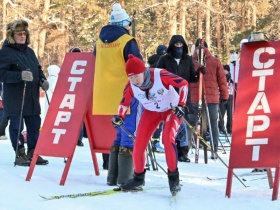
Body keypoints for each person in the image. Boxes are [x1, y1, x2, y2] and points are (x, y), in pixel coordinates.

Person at [113, 54, 188, 195]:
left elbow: (183, 83)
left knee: (167, 139)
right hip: (151, 112)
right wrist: (119, 117)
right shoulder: (130, 86)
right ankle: (138, 177)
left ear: (144, 71)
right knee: (139, 144)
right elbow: (124, 103)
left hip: (170, 110)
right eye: (131, 77)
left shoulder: (160, 75)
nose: (135, 80)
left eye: (137, 76)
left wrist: (181, 105)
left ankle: (173, 178)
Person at [93, 3, 143, 185]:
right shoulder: (127, 41)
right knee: (130, 132)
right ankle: (126, 178)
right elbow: (137, 65)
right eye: (128, 24)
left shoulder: (99, 41)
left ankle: (112, 177)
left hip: (105, 94)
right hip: (126, 92)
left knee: (120, 133)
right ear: (125, 24)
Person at [0, 20, 49, 166]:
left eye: (24, 33)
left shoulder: (30, 52)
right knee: (17, 127)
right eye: (19, 33)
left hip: (32, 97)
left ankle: (33, 152)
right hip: (16, 98)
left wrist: (42, 80)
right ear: (11, 35)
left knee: (34, 126)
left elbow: (38, 69)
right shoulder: (5, 53)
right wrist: (19, 76)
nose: (22, 36)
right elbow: (2, 74)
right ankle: (19, 152)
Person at [156, 35, 203, 162]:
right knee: (174, 124)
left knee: (181, 124)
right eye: (176, 45)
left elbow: (192, 78)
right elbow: (158, 75)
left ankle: (182, 151)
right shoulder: (165, 59)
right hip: (168, 96)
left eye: (180, 45)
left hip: (183, 96)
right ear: (172, 46)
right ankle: (173, 149)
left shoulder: (187, 60)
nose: (178, 47)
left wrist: (199, 73)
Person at [190, 38, 228, 158]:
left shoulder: (191, 61)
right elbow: (222, 80)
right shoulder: (215, 61)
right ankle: (214, 149)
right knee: (213, 124)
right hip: (211, 98)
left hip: (194, 98)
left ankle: (190, 146)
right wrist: (224, 95)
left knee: (194, 122)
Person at [147, 44, 167, 153]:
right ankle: (153, 142)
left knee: (158, 121)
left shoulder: (153, 64)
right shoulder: (161, 64)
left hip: (158, 94)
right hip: (155, 95)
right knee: (157, 120)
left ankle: (154, 141)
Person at [68, 47, 85, 147]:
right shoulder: (68, 66)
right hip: (70, 96)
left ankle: (78, 138)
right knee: (70, 117)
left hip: (80, 97)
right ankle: (70, 137)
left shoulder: (84, 66)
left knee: (79, 118)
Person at [218, 65, 233, 135]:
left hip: (230, 96)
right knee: (221, 114)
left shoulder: (231, 77)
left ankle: (229, 129)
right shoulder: (221, 77)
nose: (224, 72)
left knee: (230, 114)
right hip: (222, 97)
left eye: (226, 70)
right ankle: (221, 128)